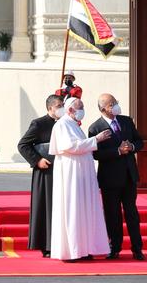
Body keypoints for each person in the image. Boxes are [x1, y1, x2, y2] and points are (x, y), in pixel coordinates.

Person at [48, 97, 112, 261]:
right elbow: (71, 146)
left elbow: (80, 145)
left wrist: (92, 141)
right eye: (80, 107)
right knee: (73, 208)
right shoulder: (62, 124)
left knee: (84, 209)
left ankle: (84, 248)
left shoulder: (72, 124)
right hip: (71, 173)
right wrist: (96, 139)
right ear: (70, 109)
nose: (82, 110)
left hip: (81, 173)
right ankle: (73, 251)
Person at [88, 93, 145, 261]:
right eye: (112, 103)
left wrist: (132, 146)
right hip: (110, 179)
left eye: (116, 102)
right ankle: (115, 248)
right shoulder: (95, 127)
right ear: (103, 108)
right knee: (113, 215)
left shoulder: (126, 121)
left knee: (132, 213)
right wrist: (117, 151)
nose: (116, 105)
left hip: (129, 176)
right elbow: (96, 155)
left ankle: (137, 248)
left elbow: (140, 141)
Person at [17, 94, 65, 258]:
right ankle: (47, 245)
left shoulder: (66, 123)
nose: (61, 108)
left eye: (62, 105)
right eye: (59, 105)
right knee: (47, 207)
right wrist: (37, 160)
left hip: (63, 170)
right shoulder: (39, 123)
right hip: (46, 171)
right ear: (50, 107)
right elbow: (23, 145)